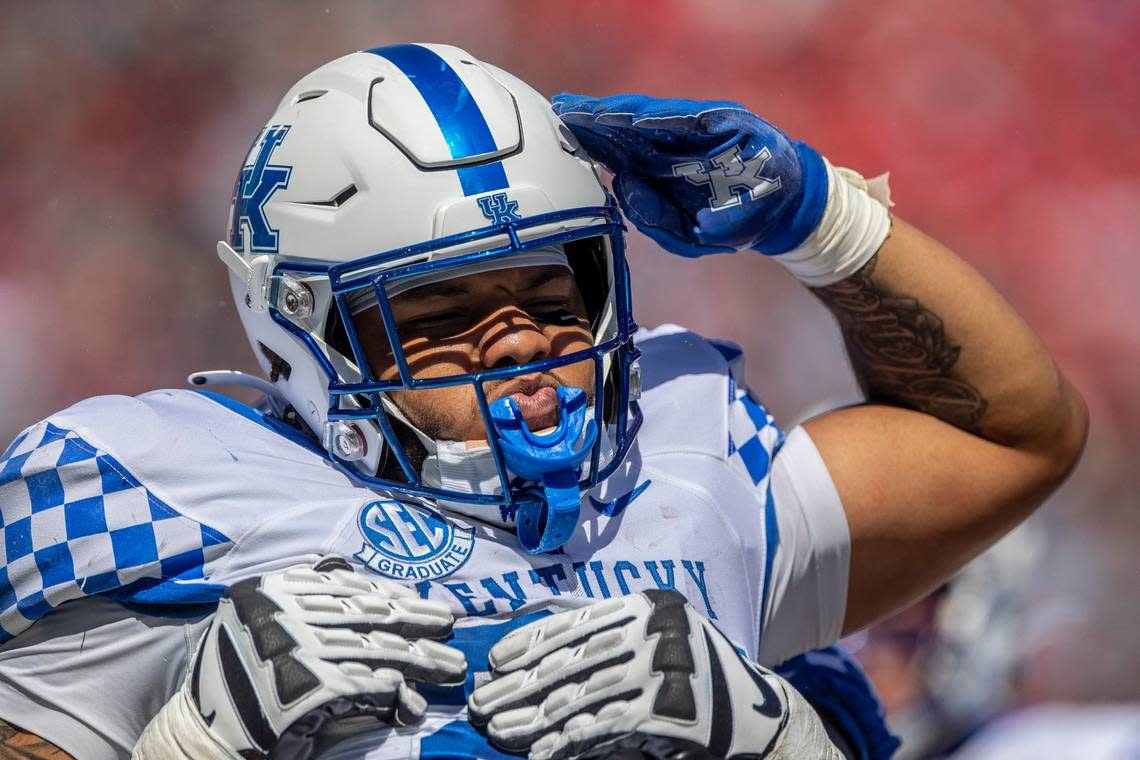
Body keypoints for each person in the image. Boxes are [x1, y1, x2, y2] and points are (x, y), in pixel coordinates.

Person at [0, 43, 1086, 759]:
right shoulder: (141, 492)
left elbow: (1012, 431)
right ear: (302, 325)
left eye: (547, 288)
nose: (518, 338)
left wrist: (816, 216)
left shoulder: (686, 446)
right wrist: (191, 741)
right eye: (443, 309)